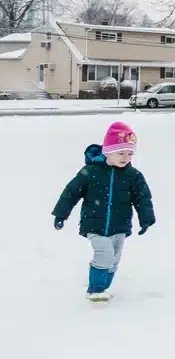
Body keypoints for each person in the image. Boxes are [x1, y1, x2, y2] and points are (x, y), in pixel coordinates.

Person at [52, 121, 155, 302]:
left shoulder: (134, 176)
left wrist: (146, 218)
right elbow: (71, 192)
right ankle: (96, 289)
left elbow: (143, 198)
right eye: (121, 152)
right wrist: (61, 213)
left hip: (119, 225)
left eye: (130, 153)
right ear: (108, 151)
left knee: (114, 259)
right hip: (94, 224)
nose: (126, 157)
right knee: (104, 254)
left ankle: (104, 286)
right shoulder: (91, 172)